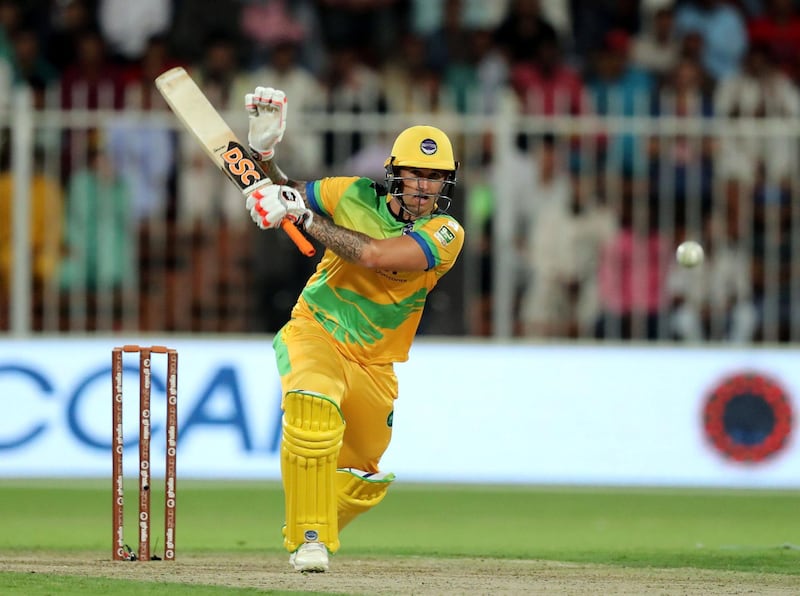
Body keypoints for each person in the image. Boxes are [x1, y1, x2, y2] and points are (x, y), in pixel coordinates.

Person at [242, 86, 464, 572]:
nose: (425, 186)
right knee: (312, 405)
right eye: (416, 174)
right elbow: (282, 191)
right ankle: (310, 538)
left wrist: (299, 215)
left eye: (436, 177)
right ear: (395, 174)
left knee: (363, 480)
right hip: (315, 329)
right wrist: (264, 155)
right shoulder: (351, 192)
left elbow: (373, 255)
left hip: (375, 364)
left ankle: (309, 520)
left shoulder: (445, 234)